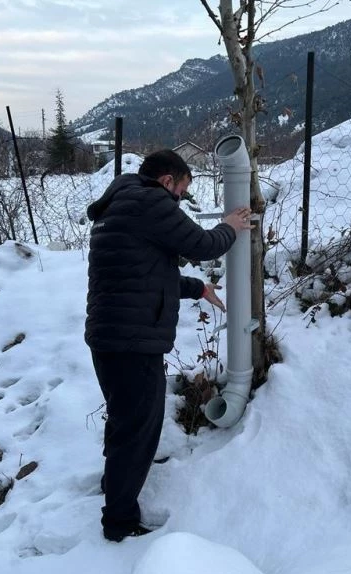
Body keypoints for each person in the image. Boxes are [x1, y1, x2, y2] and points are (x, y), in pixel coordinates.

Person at [85, 149, 252, 542]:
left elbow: (142, 277)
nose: (180, 198)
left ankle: (116, 486)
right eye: (182, 189)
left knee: (124, 420)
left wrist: (196, 288)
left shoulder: (119, 205)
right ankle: (120, 522)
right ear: (167, 182)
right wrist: (231, 225)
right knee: (138, 428)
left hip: (108, 337)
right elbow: (202, 244)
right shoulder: (150, 201)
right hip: (133, 341)